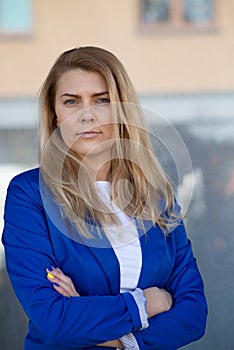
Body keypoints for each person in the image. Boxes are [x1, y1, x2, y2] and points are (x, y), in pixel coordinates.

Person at [2, 46, 207, 350]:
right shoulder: (30, 194)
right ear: (55, 115)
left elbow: (193, 314)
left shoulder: (158, 194)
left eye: (102, 100)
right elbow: (54, 320)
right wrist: (146, 303)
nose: (87, 115)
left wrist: (116, 339)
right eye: (72, 102)